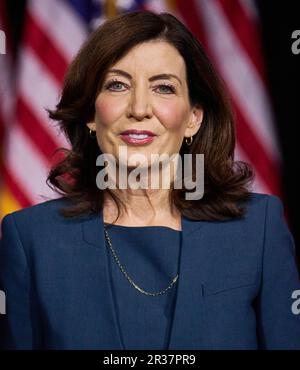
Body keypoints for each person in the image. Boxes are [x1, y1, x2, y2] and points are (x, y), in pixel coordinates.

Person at [0, 10, 299, 350]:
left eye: (163, 88)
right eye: (118, 85)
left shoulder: (256, 230)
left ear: (193, 118)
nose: (140, 107)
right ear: (90, 115)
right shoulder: (31, 239)